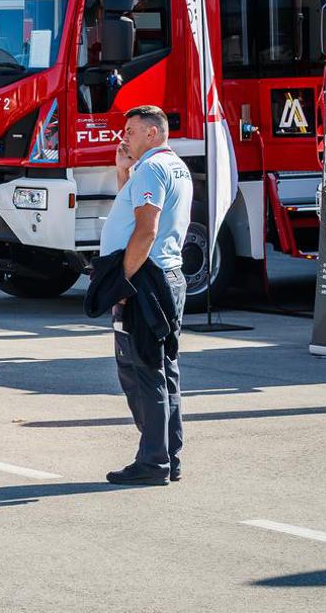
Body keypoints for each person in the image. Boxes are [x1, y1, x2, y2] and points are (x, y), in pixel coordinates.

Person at [85, 105, 192, 486]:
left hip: (147, 280)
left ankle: (153, 463)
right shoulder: (170, 166)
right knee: (164, 371)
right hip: (165, 276)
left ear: (151, 133)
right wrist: (121, 173)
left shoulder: (153, 168)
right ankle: (168, 456)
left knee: (143, 371)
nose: (123, 137)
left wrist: (122, 282)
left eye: (130, 131)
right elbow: (132, 214)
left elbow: (145, 230)